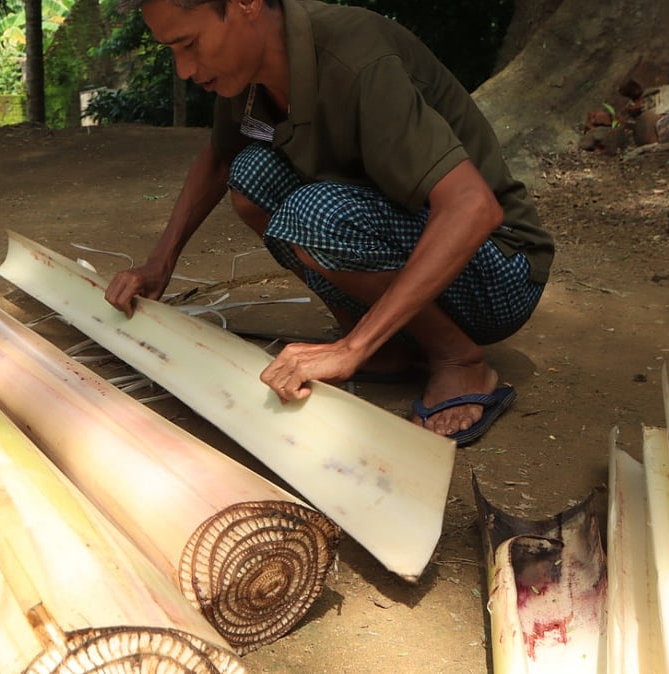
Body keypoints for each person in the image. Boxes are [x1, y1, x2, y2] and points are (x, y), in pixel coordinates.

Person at [102, 0, 555, 446]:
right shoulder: (248, 72)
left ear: (246, 4)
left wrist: (349, 352)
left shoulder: (356, 56)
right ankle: (387, 346)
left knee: (315, 213)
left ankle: (458, 359)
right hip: (414, 237)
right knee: (251, 176)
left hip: (499, 270)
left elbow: (473, 207)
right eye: (173, 51)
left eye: (190, 44)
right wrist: (160, 262)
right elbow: (222, 158)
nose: (184, 69)